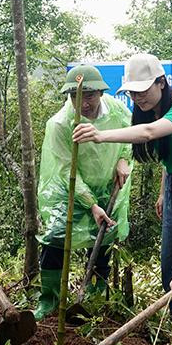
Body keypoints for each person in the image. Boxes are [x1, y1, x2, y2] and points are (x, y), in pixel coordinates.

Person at [73, 54, 172, 324]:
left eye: (142, 90)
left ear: (161, 83)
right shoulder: (151, 111)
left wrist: (99, 135)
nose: (137, 97)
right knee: (171, 252)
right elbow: (170, 157)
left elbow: (148, 133)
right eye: (133, 92)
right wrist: (164, 192)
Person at [35, 65, 133, 320]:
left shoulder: (117, 110)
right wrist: (91, 204)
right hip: (68, 188)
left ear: (101, 93)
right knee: (55, 237)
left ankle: (95, 293)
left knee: (104, 235)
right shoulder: (60, 124)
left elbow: (129, 136)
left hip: (106, 184)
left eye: (89, 96)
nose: (83, 104)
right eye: (75, 96)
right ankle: (49, 300)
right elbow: (66, 169)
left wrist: (123, 159)